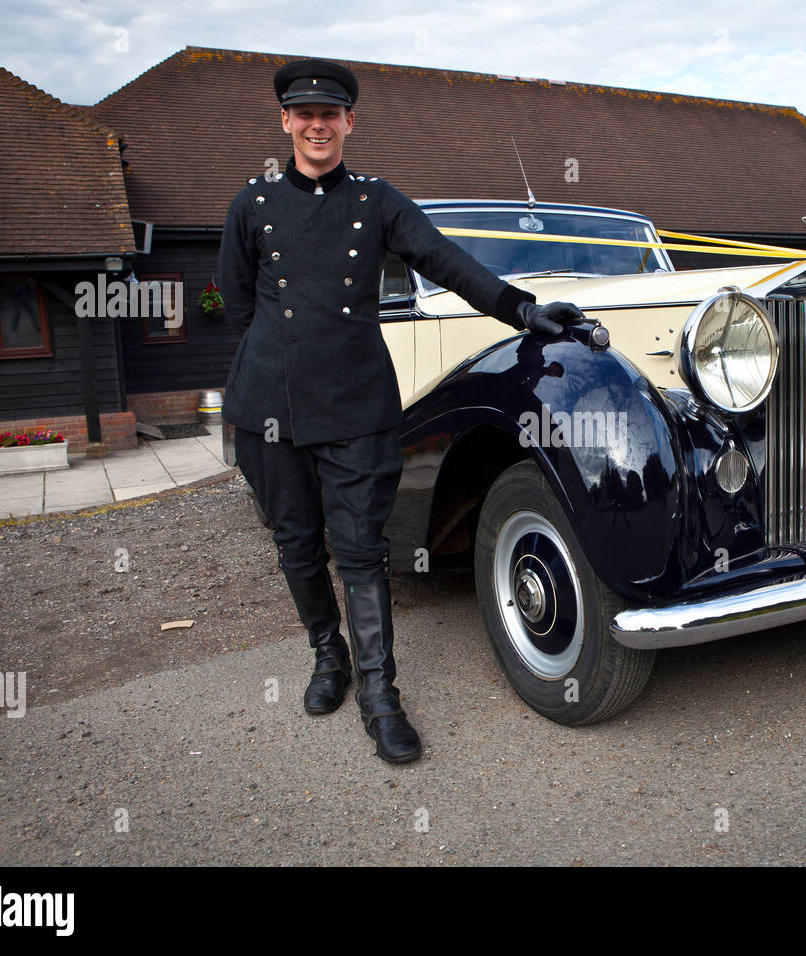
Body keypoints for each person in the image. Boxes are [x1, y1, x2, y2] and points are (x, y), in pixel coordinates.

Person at [216, 58, 585, 763]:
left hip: (357, 404)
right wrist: (273, 360)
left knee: (360, 551)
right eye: (306, 114)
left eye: (332, 114)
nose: (318, 124)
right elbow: (236, 301)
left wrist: (524, 308)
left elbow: (449, 263)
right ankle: (330, 661)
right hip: (270, 407)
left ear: (349, 122)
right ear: (285, 121)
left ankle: (379, 695)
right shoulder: (252, 204)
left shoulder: (377, 202)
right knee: (296, 544)